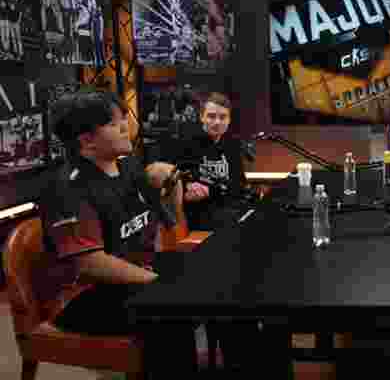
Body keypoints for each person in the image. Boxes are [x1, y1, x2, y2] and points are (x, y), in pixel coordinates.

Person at [38, 89, 199, 375]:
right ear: (87, 140)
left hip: (136, 272)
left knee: (210, 276)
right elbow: (91, 263)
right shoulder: (67, 188)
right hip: (86, 297)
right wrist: (159, 282)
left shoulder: (129, 166)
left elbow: (171, 222)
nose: (127, 126)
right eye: (114, 123)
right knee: (171, 310)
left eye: (124, 118)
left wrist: (173, 184)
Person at [166, 91, 248, 233]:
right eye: (211, 116)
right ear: (202, 117)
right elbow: (170, 182)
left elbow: (239, 186)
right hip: (199, 216)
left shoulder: (233, 145)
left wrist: (212, 191)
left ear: (229, 120)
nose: (217, 122)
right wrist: (186, 188)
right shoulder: (185, 143)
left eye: (223, 117)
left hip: (229, 211)